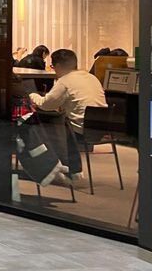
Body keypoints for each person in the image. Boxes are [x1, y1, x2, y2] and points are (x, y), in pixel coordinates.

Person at [29, 48, 106, 183]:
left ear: (58, 66)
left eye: (53, 66)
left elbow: (45, 105)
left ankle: (52, 167)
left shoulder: (65, 81)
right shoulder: (91, 77)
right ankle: (73, 168)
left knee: (40, 123)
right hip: (101, 128)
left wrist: (32, 95)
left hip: (80, 131)